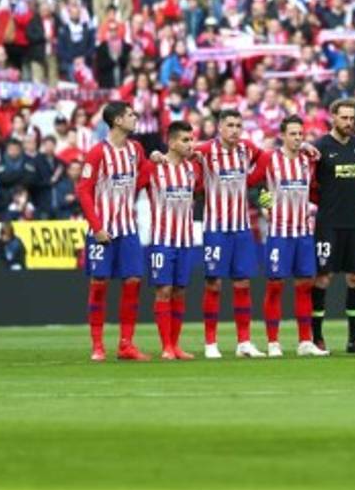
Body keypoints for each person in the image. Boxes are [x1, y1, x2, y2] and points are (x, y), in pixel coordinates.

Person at [76, 101, 152, 362]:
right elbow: (83, 191)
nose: (135, 117)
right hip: (103, 231)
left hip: (128, 229)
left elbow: (141, 179)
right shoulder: (97, 153)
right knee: (99, 284)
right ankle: (97, 346)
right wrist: (96, 227)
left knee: (133, 282)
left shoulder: (136, 149)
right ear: (118, 121)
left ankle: (126, 345)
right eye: (131, 115)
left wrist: (152, 163)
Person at [247, 115, 326, 357]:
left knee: (305, 285)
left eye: (300, 134)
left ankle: (305, 341)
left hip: (303, 233)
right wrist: (266, 204)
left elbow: (315, 188)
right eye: (293, 134)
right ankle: (273, 342)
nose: (297, 138)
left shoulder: (308, 160)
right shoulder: (270, 159)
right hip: (279, 233)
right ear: (282, 135)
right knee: (275, 285)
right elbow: (253, 184)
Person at [192, 109, 266, 359]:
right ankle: (210, 343)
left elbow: (265, 158)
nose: (235, 130)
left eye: (238, 125)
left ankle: (244, 342)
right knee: (214, 284)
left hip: (242, 228)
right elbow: (181, 158)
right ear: (219, 128)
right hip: (216, 229)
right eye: (230, 125)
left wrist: (251, 181)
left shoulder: (246, 148)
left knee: (243, 283)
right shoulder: (204, 151)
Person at [137, 120, 203, 360]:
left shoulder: (192, 169)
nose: (190, 144)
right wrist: (150, 156)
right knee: (163, 290)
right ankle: (166, 346)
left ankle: (175, 345)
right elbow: (132, 184)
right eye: (185, 140)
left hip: (185, 240)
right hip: (161, 240)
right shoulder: (154, 168)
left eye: (192, 139)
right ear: (172, 142)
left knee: (179, 291)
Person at [311, 98, 355, 354]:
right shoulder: (320, 146)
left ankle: (354, 339)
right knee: (323, 277)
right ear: (332, 117)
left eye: (352, 118)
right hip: (329, 223)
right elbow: (310, 184)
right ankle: (316, 337)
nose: (349, 122)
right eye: (344, 117)